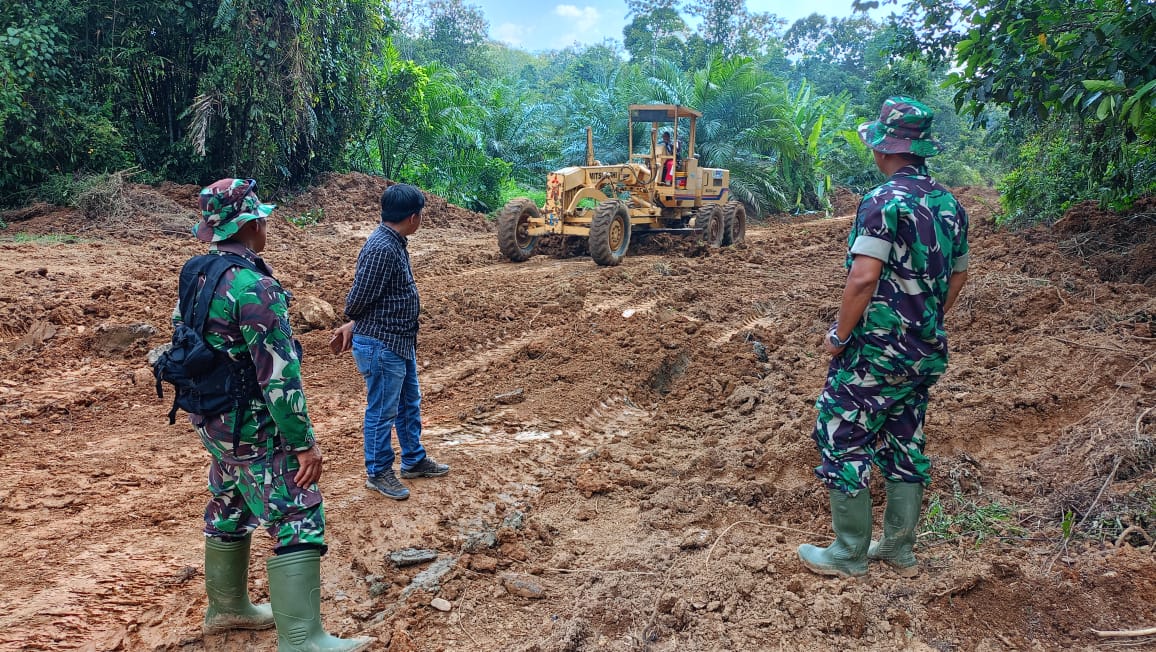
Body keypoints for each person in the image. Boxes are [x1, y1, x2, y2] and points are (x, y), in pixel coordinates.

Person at [184, 178, 372, 652]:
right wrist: (303, 443)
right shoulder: (255, 288)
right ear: (250, 224)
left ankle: (227, 608)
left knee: (231, 500)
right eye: (261, 219)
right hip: (255, 427)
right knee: (297, 510)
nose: (265, 226)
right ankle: (303, 640)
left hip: (214, 420)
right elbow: (279, 378)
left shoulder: (197, 275)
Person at [797, 97, 970, 579]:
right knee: (904, 438)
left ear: (884, 149)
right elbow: (958, 276)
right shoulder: (950, 204)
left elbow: (863, 277)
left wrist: (839, 335)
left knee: (841, 431)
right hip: (923, 349)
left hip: (875, 351)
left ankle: (848, 553)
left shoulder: (883, 201)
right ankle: (897, 548)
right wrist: (924, 319)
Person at [332, 183, 449, 501]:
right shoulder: (382, 248)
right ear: (413, 217)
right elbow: (357, 300)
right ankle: (378, 471)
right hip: (382, 344)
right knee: (382, 411)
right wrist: (355, 322)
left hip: (399, 341)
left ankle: (413, 460)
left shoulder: (394, 242)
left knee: (409, 404)